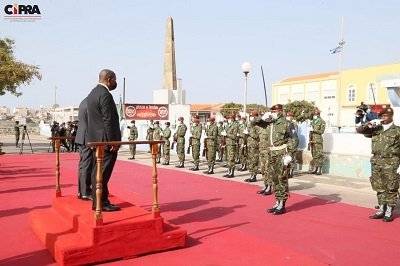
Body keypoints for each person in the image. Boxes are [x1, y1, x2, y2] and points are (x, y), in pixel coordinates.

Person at [356, 108, 400, 222]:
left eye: (385, 115)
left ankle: (389, 211)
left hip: (391, 162)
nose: (383, 117)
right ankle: (381, 210)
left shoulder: (397, 131)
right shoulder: (376, 129)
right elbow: (359, 130)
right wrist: (369, 124)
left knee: (391, 187)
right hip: (376, 161)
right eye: (382, 115)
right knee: (378, 187)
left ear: (391, 116)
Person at [86, 69, 121, 212]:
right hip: (106, 142)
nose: (115, 82)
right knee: (102, 174)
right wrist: (113, 142)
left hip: (96, 141)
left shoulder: (92, 94)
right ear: (109, 79)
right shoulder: (105, 95)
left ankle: (100, 201)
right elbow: (108, 120)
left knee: (97, 172)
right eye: (114, 79)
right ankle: (101, 203)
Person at [265, 104, 290, 215]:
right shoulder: (271, 123)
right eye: (272, 111)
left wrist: (289, 155)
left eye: (274, 111)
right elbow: (256, 123)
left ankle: (283, 204)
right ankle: (277, 201)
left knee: (281, 178)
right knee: (274, 178)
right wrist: (263, 118)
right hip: (272, 153)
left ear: (280, 111)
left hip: (281, 153)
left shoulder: (287, 123)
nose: (273, 113)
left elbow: (294, 139)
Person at [75, 98, 93, 201]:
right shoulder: (90, 103)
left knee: (83, 165)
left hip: (81, 137)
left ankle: (81, 191)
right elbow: (92, 123)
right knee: (86, 165)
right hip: (87, 137)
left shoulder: (83, 102)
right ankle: (85, 191)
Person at [244, 111, 260, 183]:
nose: (251, 117)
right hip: (249, 144)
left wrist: (249, 132)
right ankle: (251, 174)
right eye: (250, 116)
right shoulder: (250, 124)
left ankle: (254, 176)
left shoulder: (258, 125)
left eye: (252, 116)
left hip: (255, 144)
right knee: (250, 160)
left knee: (254, 160)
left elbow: (258, 136)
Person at [309, 109, 325, 175]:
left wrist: (314, 130)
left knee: (319, 155)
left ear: (318, 114)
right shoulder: (313, 121)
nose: (314, 115)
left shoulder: (322, 122)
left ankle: (319, 169)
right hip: (312, 140)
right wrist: (309, 139)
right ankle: (316, 168)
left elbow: (322, 131)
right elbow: (310, 131)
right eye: (314, 114)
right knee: (314, 155)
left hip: (318, 140)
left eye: (315, 114)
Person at [286, 112, 299, 178]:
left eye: (289, 116)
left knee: (292, 158)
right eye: (287, 115)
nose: (288, 117)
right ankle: (287, 172)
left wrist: (294, 144)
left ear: (292, 117)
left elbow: (293, 135)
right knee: (287, 158)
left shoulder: (294, 124)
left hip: (292, 143)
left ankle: (291, 172)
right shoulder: (287, 123)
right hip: (287, 143)